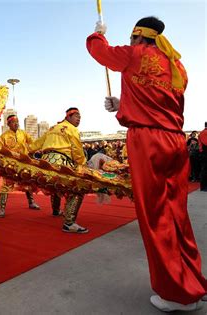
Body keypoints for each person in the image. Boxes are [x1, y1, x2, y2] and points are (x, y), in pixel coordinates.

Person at [87, 16, 206, 311]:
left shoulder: (135, 54)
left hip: (147, 144)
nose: (129, 44)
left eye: (131, 39)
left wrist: (97, 33)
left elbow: (99, 51)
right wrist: (124, 104)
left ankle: (176, 293)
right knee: (176, 214)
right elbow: (159, 102)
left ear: (138, 37)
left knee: (156, 218)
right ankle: (193, 282)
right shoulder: (177, 66)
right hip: (175, 142)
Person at [31, 108, 88, 233]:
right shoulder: (72, 129)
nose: (79, 119)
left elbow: (36, 144)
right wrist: (83, 166)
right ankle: (69, 223)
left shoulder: (52, 128)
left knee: (55, 186)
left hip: (45, 165)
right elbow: (77, 152)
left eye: (80, 117)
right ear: (68, 117)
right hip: (61, 163)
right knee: (78, 188)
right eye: (76, 116)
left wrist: (22, 153)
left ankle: (56, 210)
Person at [0, 114, 40, 218]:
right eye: (14, 122)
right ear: (9, 124)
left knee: (27, 182)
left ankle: (31, 202)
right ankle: (1, 208)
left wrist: (35, 150)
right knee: (6, 184)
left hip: (23, 163)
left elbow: (32, 143)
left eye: (17, 121)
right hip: (11, 165)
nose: (16, 124)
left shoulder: (23, 133)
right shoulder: (4, 136)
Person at [199, 123, 207, 192]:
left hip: (204, 153)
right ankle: (204, 187)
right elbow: (205, 143)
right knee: (205, 170)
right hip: (205, 153)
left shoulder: (203, 132)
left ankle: (204, 186)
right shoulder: (204, 132)